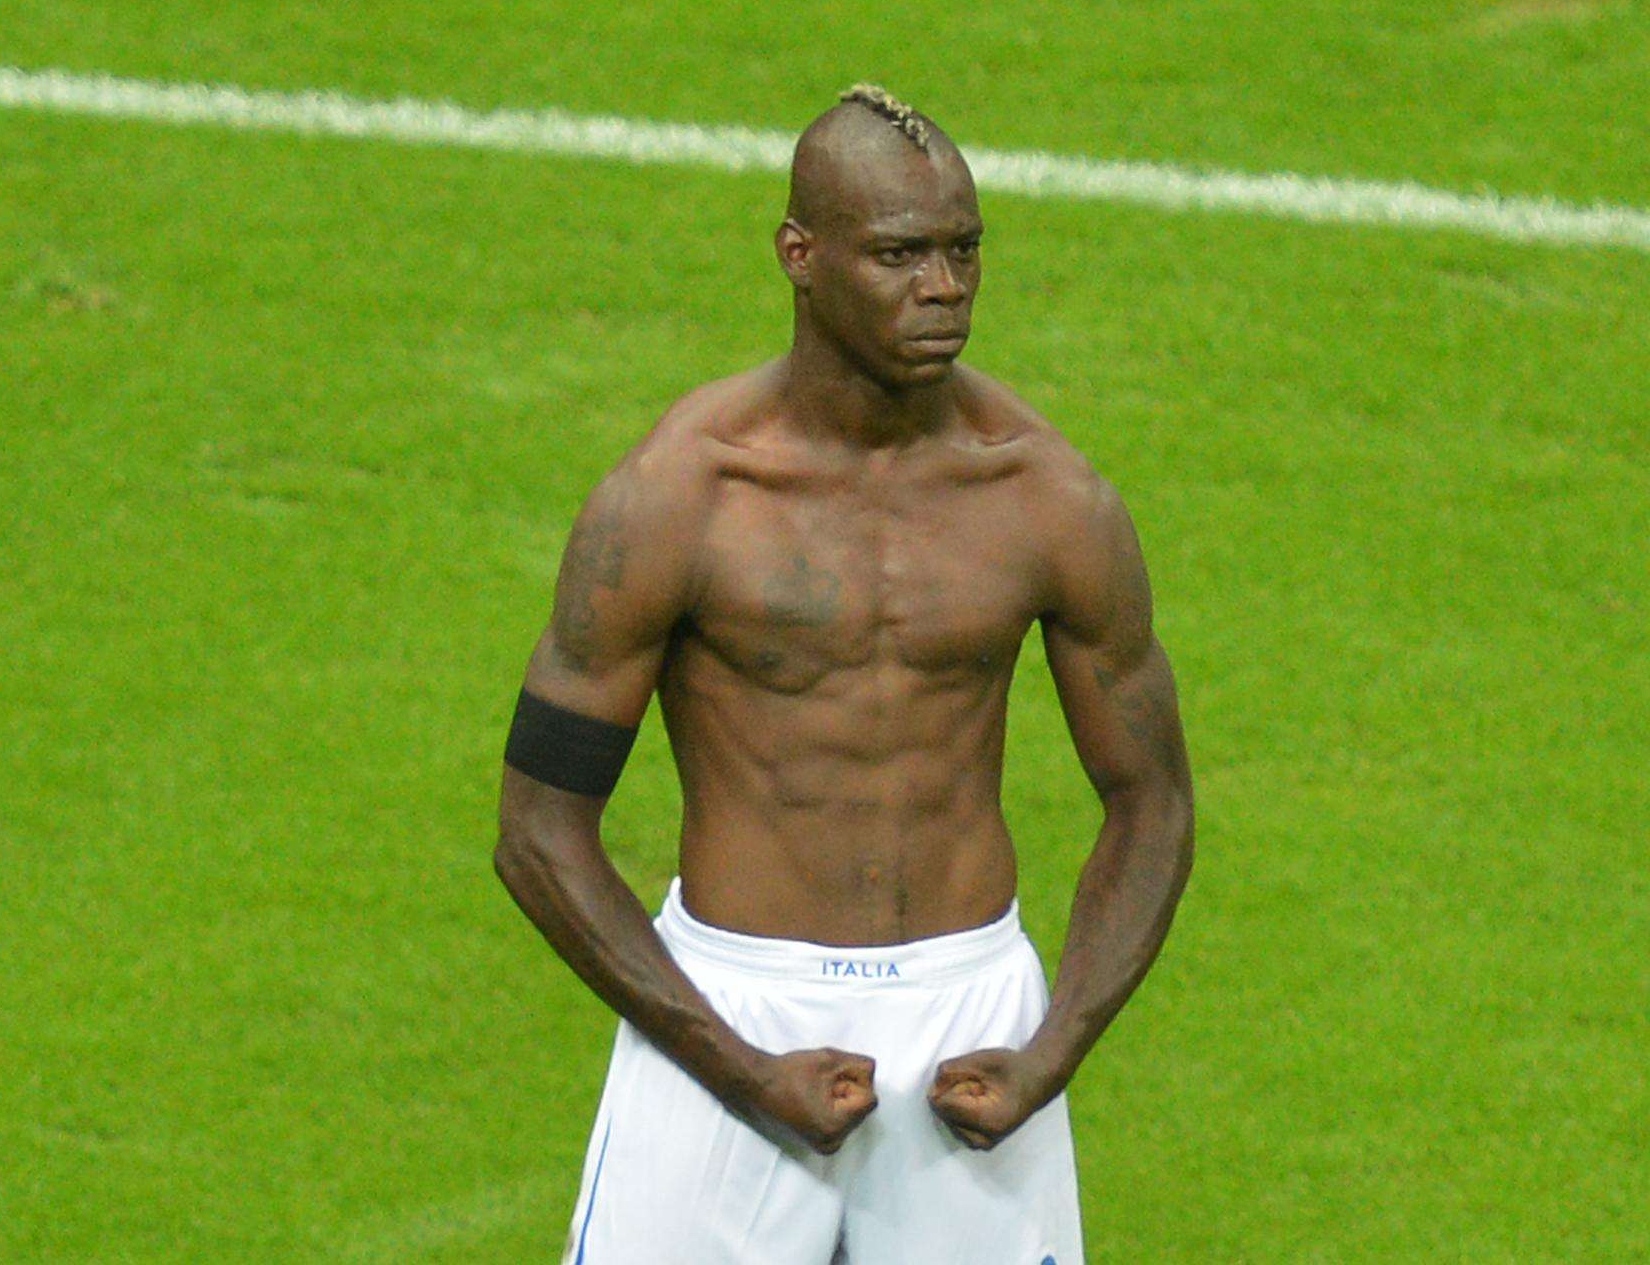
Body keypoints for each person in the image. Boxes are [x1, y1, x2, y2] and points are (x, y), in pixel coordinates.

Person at [493, 83, 1195, 1265]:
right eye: (899, 254)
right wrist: (738, 1064)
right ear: (799, 255)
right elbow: (536, 829)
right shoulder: (678, 498)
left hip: (970, 1022)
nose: (944, 286)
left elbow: (1152, 800)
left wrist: (1049, 1050)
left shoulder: (1045, 498)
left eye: (964, 248)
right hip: (729, 1008)